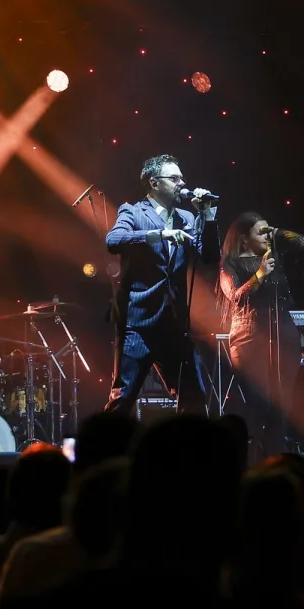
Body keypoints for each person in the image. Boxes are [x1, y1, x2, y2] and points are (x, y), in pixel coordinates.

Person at [103, 154, 219, 415]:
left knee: (194, 397)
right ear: (154, 183)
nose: (182, 183)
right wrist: (160, 234)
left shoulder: (186, 218)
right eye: (174, 178)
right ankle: (102, 439)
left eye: (182, 178)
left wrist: (208, 216)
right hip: (138, 324)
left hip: (174, 325)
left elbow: (210, 257)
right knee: (123, 398)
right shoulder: (133, 211)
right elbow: (114, 240)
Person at [219, 211, 304, 453]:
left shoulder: (273, 256)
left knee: (283, 405)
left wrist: (276, 232)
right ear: (244, 239)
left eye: (268, 231)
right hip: (250, 337)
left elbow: (303, 242)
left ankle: (276, 456)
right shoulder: (230, 264)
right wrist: (259, 275)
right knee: (260, 402)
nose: (267, 236)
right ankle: (250, 458)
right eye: (261, 232)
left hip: (283, 333)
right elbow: (236, 298)